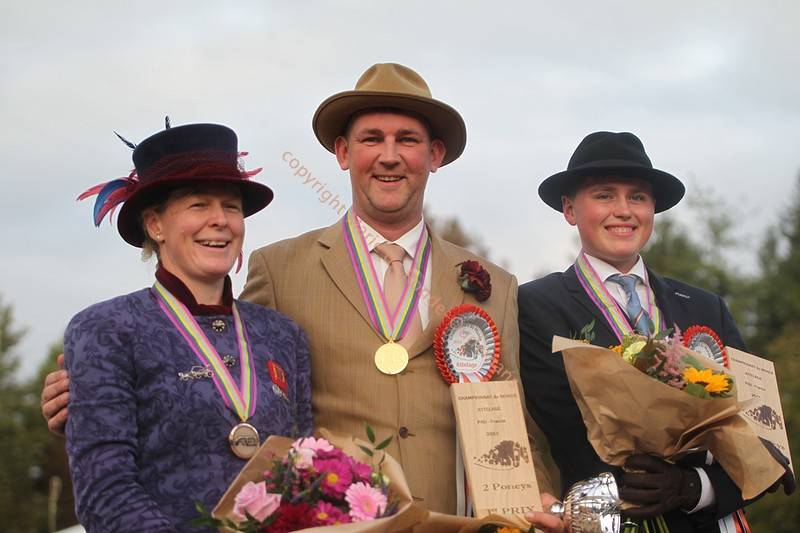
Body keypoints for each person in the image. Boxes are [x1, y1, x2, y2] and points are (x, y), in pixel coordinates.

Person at [44, 64, 554, 515]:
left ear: (435, 154)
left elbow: (515, 422)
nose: (389, 156)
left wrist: (540, 496)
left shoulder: (494, 285)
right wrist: (97, 398)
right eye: (371, 139)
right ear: (343, 152)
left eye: (407, 140)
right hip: (332, 524)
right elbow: (226, 378)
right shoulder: (279, 269)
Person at [518, 131, 794, 532]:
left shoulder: (706, 307)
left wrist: (694, 488)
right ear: (570, 209)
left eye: (637, 197)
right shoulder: (534, 306)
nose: (623, 210)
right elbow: (544, 429)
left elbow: (765, 437)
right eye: (604, 195)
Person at [63, 122, 312, 532]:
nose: (220, 220)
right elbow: (104, 490)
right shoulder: (106, 330)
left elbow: (308, 468)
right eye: (198, 205)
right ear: (155, 225)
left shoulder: (283, 335)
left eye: (231, 206)